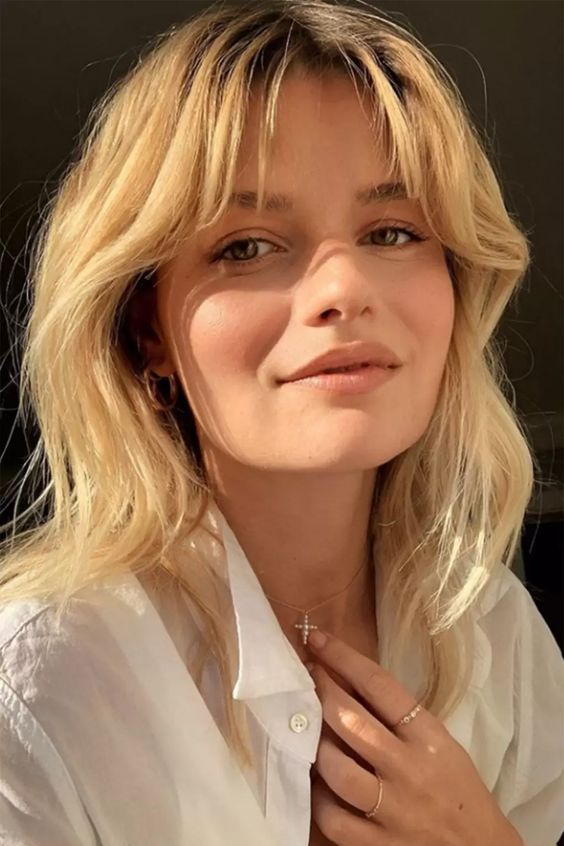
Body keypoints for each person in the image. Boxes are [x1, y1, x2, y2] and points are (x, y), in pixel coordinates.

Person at [0, 1, 562, 844]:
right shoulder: (38, 691)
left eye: (393, 231)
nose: (343, 289)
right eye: (248, 246)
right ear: (147, 330)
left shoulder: (497, 634)